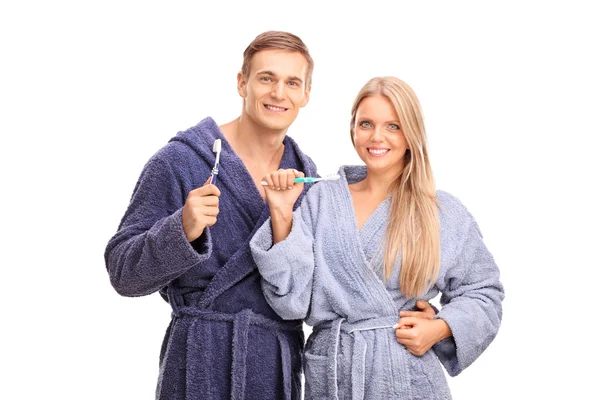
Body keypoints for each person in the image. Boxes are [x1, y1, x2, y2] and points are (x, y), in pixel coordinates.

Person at [250, 76, 504, 399]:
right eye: (366, 124)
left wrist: (439, 328)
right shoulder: (321, 200)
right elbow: (291, 302)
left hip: (407, 378)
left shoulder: (440, 212)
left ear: (411, 134)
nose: (377, 136)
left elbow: (485, 292)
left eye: (393, 126)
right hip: (333, 379)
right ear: (353, 129)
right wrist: (282, 213)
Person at [104, 31, 319, 399]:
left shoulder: (305, 178)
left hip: (274, 371)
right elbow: (123, 273)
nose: (278, 93)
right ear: (242, 83)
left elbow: (315, 289)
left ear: (305, 95)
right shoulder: (181, 160)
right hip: (198, 362)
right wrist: (181, 229)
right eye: (266, 78)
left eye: (292, 82)